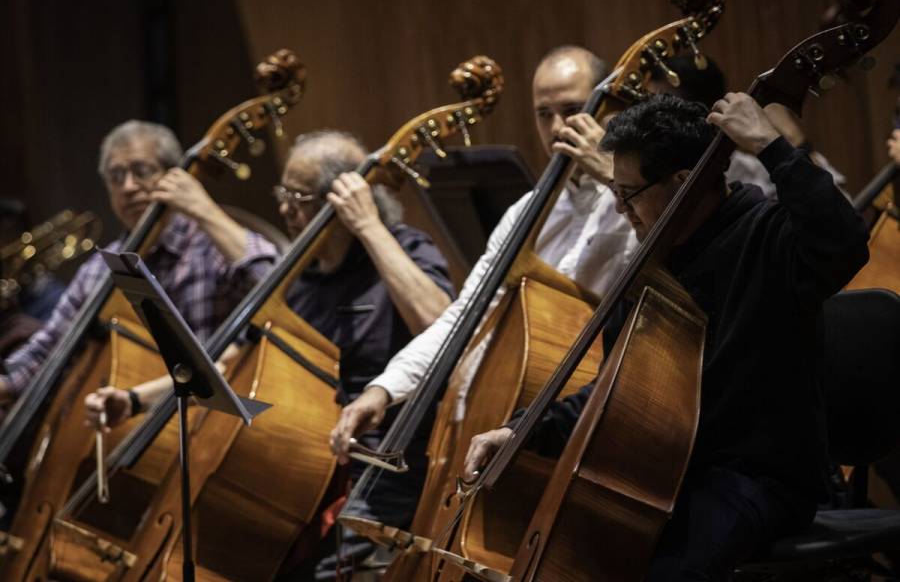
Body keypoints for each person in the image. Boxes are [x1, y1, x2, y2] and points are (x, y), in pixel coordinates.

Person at [463, 93, 869, 580]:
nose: (620, 208)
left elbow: (844, 241)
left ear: (683, 183)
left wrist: (769, 145)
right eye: (614, 190)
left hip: (757, 479)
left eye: (629, 193)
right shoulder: (651, 264)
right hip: (665, 478)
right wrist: (521, 429)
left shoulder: (768, 239)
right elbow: (617, 394)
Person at [86, 129, 455, 580]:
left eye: (298, 197)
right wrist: (135, 399)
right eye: (283, 193)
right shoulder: (301, 280)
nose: (284, 210)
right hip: (302, 466)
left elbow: (442, 327)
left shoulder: (405, 249)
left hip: (383, 467)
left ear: (341, 201)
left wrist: (369, 225)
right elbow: (234, 362)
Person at [330, 44, 639, 462]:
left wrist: (612, 173)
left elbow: (676, 259)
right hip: (512, 423)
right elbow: (467, 316)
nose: (557, 127)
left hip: (595, 421)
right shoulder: (525, 212)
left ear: (612, 106)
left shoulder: (643, 200)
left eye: (572, 108)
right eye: (543, 114)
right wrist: (385, 389)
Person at [0, 120, 277, 406]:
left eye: (141, 171)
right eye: (116, 176)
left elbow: (277, 291)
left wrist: (205, 210)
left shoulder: (214, 244)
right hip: (132, 430)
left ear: (173, 175)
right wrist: (6, 385)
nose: (128, 186)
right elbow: (49, 349)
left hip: (215, 423)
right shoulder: (100, 269)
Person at [646, 54, 849, 199]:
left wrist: (794, 140)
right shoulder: (641, 179)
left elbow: (840, 213)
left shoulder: (755, 173)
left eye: (663, 110)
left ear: (703, 112)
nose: (649, 121)